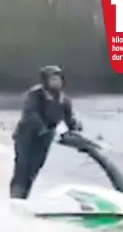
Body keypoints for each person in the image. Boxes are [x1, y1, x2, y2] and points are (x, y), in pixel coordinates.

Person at [10, 66, 82, 199]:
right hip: (26, 136)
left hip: (45, 138)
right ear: (45, 81)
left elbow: (69, 118)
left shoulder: (64, 100)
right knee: (22, 167)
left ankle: (25, 197)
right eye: (53, 79)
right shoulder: (34, 95)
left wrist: (75, 127)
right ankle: (15, 197)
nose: (57, 82)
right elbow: (30, 114)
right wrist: (42, 127)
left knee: (34, 169)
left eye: (59, 79)